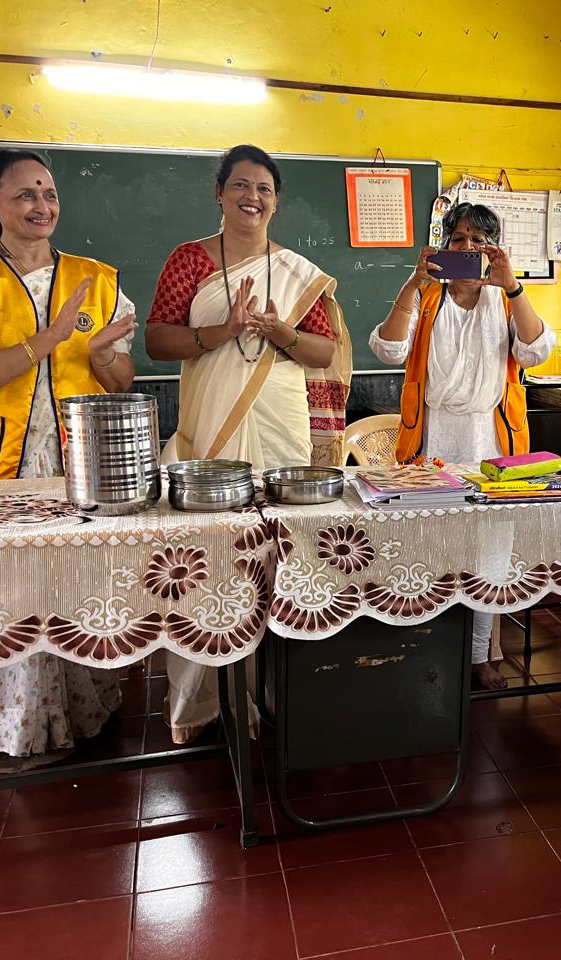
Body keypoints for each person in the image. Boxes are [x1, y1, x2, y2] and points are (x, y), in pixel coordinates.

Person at [0, 148, 137, 758]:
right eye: (24, 195)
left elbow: (121, 380)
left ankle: (81, 707)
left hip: (74, 461)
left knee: (74, 582)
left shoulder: (98, 279)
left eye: (48, 193)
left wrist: (101, 356)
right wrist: (48, 339)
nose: (41, 205)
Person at [146, 144, 351, 743]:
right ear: (219, 192)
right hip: (210, 424)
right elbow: (158, 341)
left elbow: (323, 352)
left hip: (279, 424)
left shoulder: (295, 272)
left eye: (263, 188)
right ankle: (201, 702)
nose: (251, 198)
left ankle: (276, 693)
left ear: (276, 199)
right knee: (206, 560)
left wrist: (284, 333)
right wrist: (221, 332)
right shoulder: (189, 261)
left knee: (279, 556)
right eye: (240, 186)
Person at [370, 202, 556, 689]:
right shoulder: (428, 298)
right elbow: (387, 348)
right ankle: (425, 646)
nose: (468, 249)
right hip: (433, 440)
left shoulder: (506, 298)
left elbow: (537, 349)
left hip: (491, 443)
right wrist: (414, 283)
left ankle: (479, 656)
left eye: (479, 241)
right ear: (444, 246)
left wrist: (512, 285)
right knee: (428, 545)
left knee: (489, 551)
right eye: (459, 241)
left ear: (494, 250)